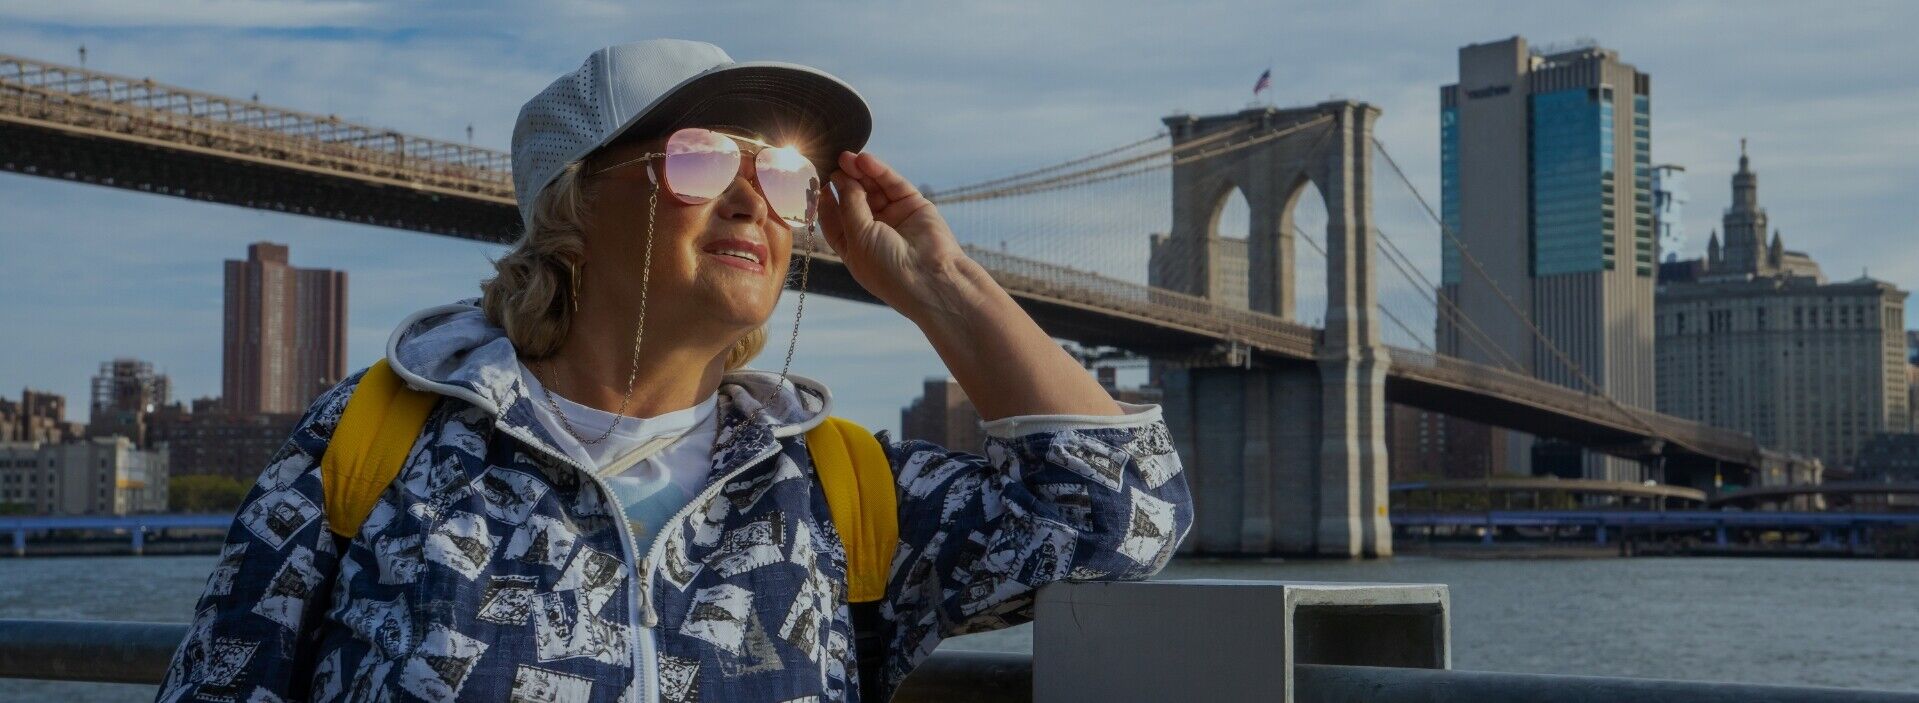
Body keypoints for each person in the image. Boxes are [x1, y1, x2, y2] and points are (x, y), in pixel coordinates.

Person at [156, 39, 1192, 702]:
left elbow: (1120, 515)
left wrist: (940, 280)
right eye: (700, 159)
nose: (754, 197)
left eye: (782, 176)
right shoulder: (373, 445)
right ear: (573, 204)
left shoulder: (835, 491)